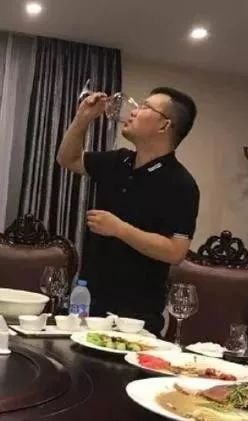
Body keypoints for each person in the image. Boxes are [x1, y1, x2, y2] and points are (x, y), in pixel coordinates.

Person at [56, 87, 200, 334]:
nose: (133, 111)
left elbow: (176, 251)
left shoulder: (181, 184)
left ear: (164, 125)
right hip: (87, 302)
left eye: (145, 107)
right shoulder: (119, 160)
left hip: (135, 317)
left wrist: (120, 229)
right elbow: (68, 159)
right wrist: (82, 119)